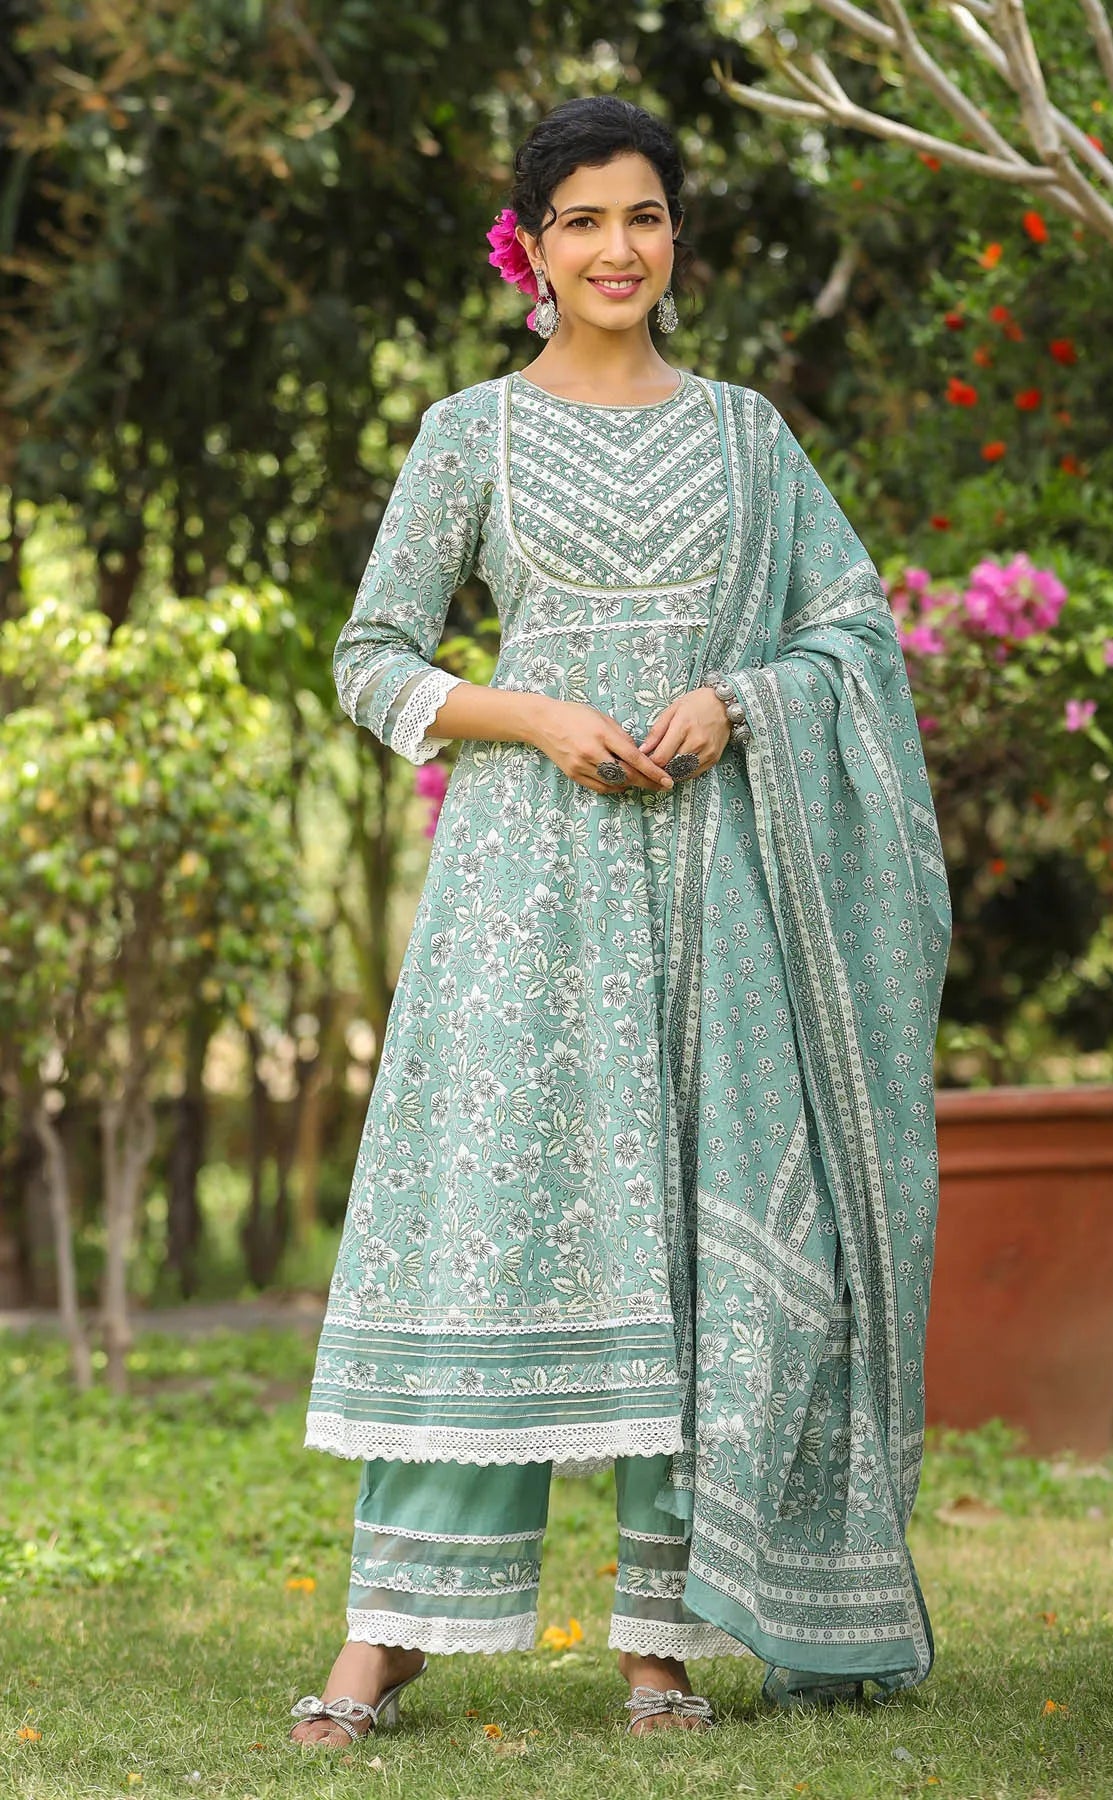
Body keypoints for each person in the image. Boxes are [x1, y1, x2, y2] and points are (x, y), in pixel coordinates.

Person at [289, 94, 951, 1748]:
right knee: (490, 1232)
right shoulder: (470, 434)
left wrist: (740, 695)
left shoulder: (747, 436)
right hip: (526, 894)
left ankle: (662, 1639)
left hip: (718, 884)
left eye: (644, 217)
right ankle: (393, 1631)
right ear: (533, 246)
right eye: (582, 220)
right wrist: (530, 716)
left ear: (677, 240)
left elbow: (853, 631)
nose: (617, 249)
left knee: (686, 1232)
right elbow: (372, 657)